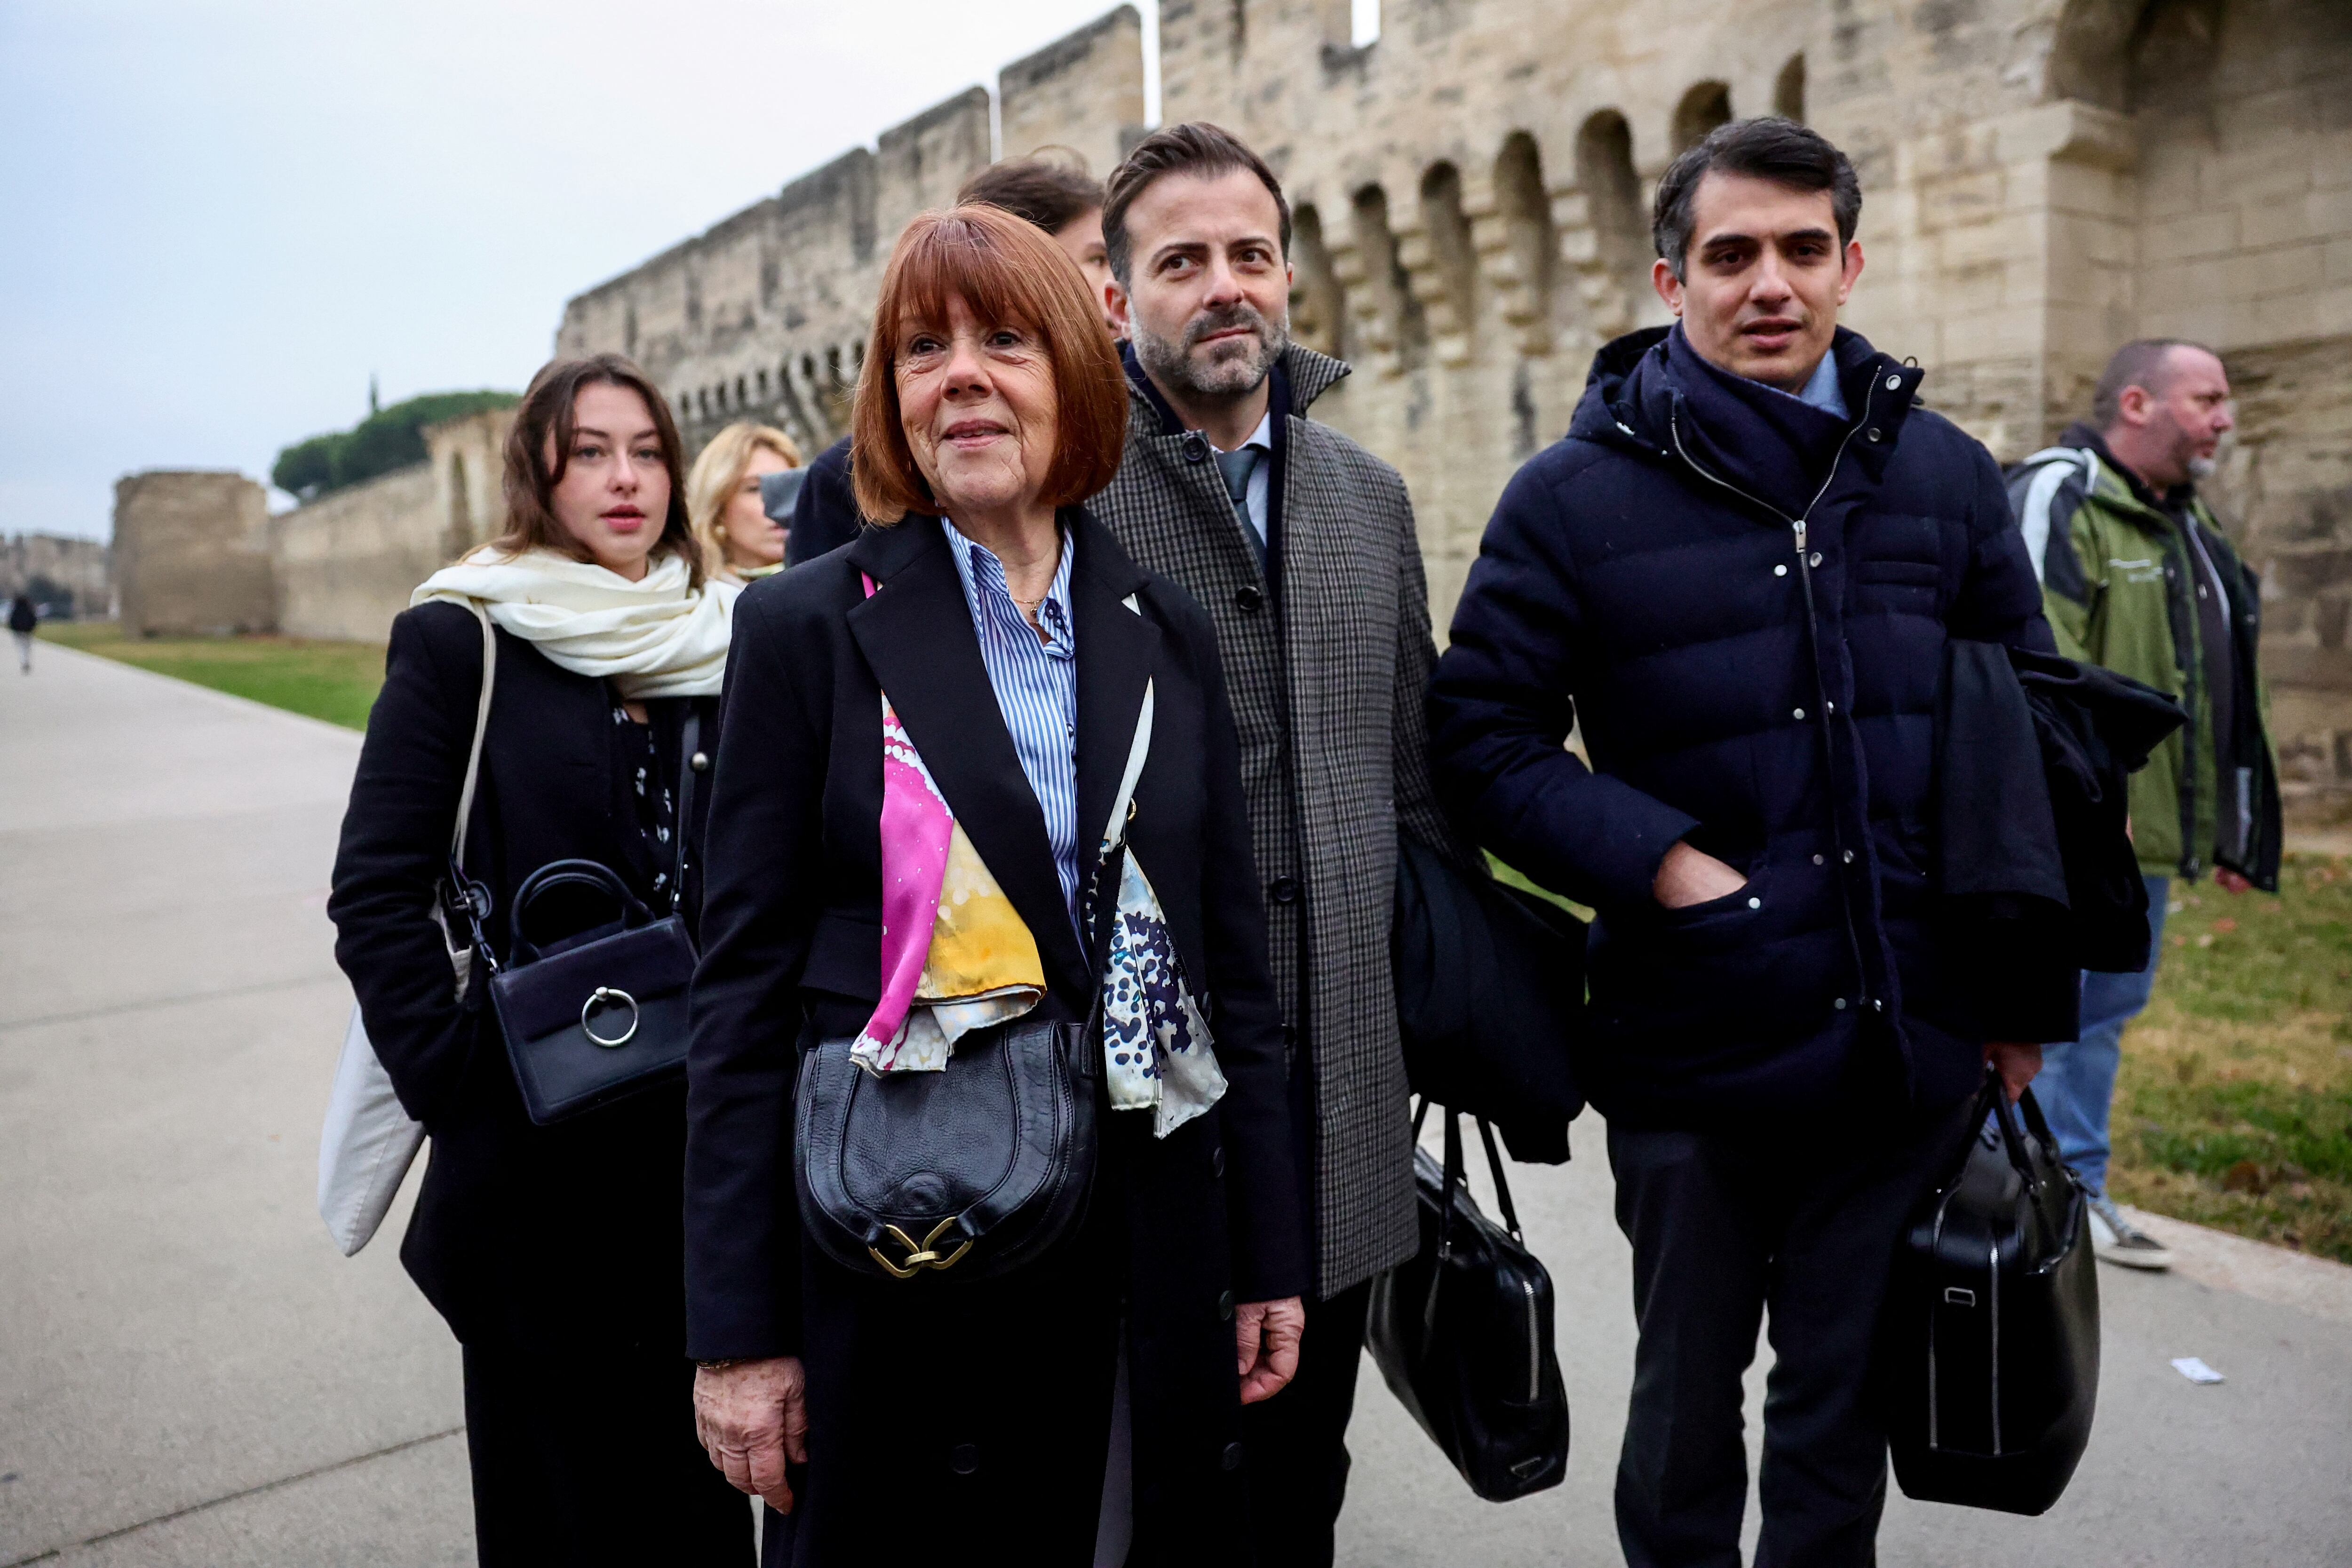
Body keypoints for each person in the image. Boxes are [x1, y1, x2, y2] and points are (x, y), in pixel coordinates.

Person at [1428, 118, 2055, 1568]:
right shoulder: (1567, 503)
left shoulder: (1945, 479)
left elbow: (2022, 740)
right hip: (1690, 1046)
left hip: (1897, 1038)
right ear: (1669, 277)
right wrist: (1663, 865)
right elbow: (1479, 739)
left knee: (1840, 1410)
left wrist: (2019, 997)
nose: (1764, 283)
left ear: (1848, 263)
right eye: (1727, 255)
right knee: (1685, 1410)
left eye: (1796, 250)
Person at [683, 203, 1308, 1567]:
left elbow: (1230, 974)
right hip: (916, 1252)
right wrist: (738, 1336)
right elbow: (734, 1002)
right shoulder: (808, 630)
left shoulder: (1162, 624)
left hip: (1141, 1245)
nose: (958, 373)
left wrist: (1265, 1252)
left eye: (1004, 339)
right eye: (922, 348)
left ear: (1078, 374)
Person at [1088, 120, 1474, 1565]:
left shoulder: (1364, 498)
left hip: (1346, 1088)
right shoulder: (1070, 499)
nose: (1224, 285)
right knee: (1154, 1471)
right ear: (1120, 300)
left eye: (1249, 254)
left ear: (1288, 277)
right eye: (1180, 261)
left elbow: (1413, 767)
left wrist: (1452, 996)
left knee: (1306, 1460)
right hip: (1151, 1092)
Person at [328, 354, 749, 1565]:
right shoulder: (467, 636)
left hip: (701, 1153)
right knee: (557, 1510)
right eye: (588, 453)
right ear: (537, 474)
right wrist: (462, 1083)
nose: (625, 480)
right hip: (538, 1168)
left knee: (707, 1507)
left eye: (648, 451)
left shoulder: (723, 636)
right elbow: (375, 892)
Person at [2007, 339, 2281, 1270]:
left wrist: (2237, 821)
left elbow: (2225, 683)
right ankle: (2015, 1185)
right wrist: (2085, 798)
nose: (2223, 416)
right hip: (2077, 818)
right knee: (2044, 1004)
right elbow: (2031, 654)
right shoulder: (2064, 495)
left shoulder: (2185, 527)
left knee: (2107, 1003)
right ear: (2136, 402)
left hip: (2147, 828)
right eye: (2205, 397)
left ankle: (2074, 1185)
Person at [785, 153, 1117, 568]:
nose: (1115, 286)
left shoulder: (1159, 611)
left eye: (1004, 339)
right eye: (1096, 259)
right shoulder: (841, 484)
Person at [689, 421, 803, 581]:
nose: (780, 500)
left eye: (788, 485)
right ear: (718, 509)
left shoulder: (832, 581)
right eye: (755, 489)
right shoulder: (698, 601)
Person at [8, 591, 36, 673]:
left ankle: (23, 661)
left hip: (18, 632)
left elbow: (12, 621)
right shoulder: (29, 609)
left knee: (20, 647)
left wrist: (15, 629)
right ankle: (26, 661)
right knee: (27, 648)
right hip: (28, 632)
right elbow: (34, 620)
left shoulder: (16, 610)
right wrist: (31, 629)